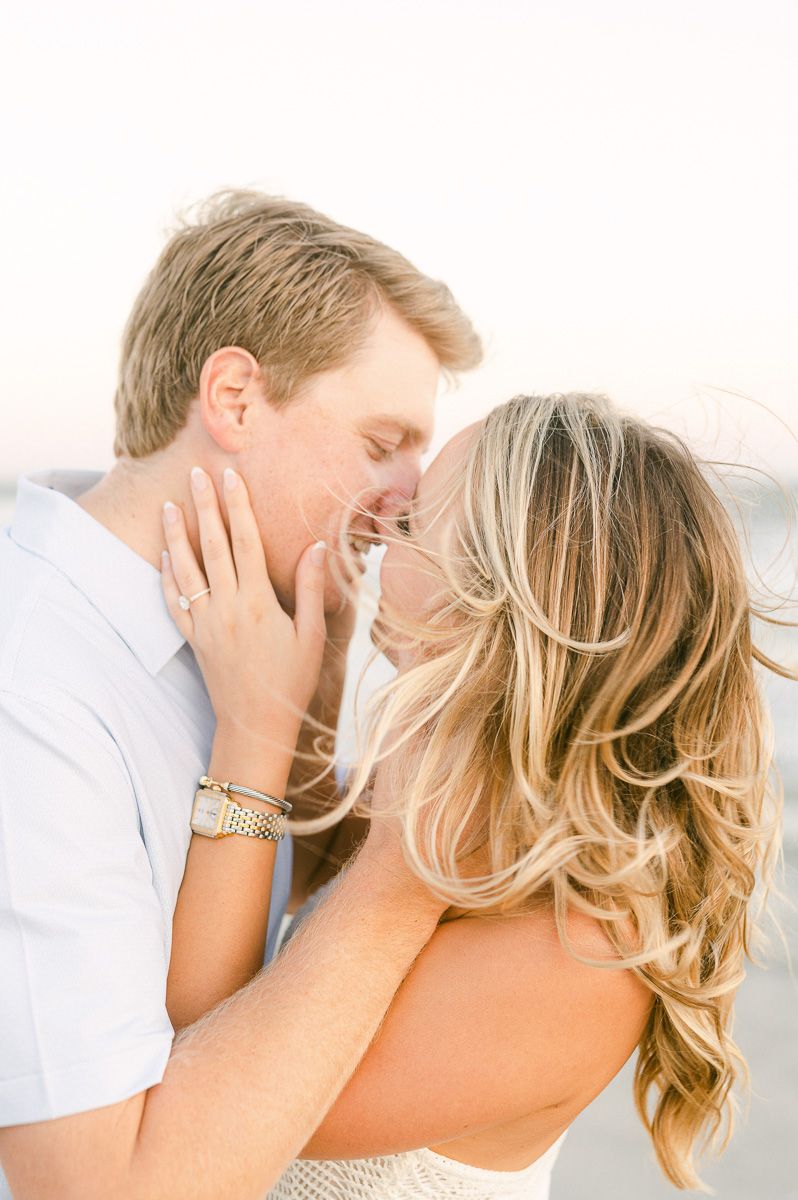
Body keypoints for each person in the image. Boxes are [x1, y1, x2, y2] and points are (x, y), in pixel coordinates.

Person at [162, 392, 793, 1198]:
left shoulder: (579, 955)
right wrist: (310, 697)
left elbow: (198, 1105)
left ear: (501, 605)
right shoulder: (470, 794)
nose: (379, 527)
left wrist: (252, 742)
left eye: (415, 524)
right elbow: (307, 862)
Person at [0, 191, 481, 1199]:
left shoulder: (229, 636)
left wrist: (309, 704)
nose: (409, 495)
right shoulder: (33, 678)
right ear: (233, 400)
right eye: (381, 440)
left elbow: (254, 946)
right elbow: (87, 1186)